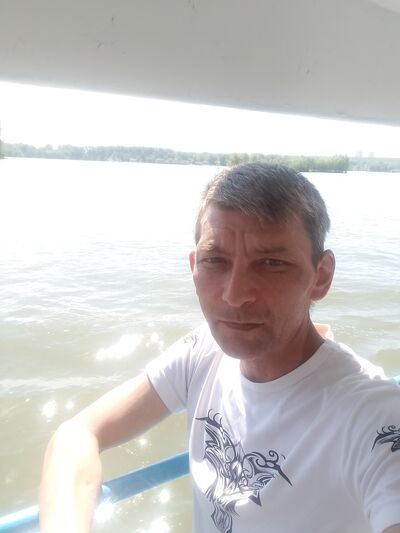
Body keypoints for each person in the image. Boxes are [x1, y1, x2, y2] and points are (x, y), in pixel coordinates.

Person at [40, 163, 400, 533]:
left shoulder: (372, 414)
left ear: (320, 276)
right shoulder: (202, 354)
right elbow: (77, 435)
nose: (235, 295)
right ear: (194, 266)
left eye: (271, 263)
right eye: (215, 261)